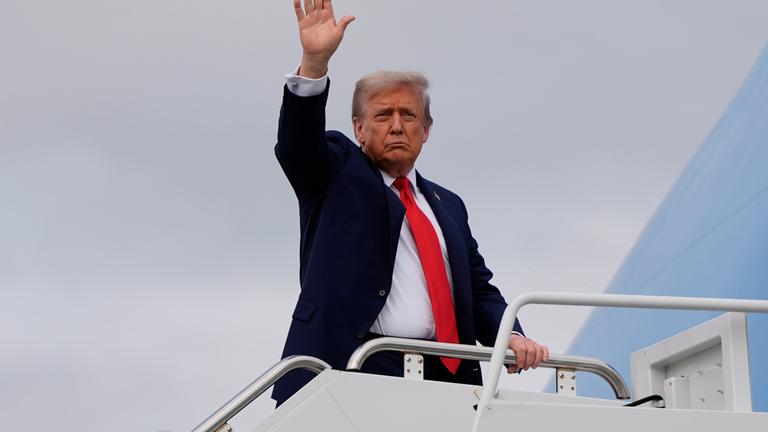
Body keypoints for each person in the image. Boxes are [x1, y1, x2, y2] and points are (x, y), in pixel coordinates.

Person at [272, 0, 549, 406]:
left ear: (426, 130)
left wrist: (512, 335)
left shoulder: (447, 205)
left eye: (408, 114)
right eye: (383, 115)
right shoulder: (337, 172)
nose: (397, 125)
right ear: (359, 129)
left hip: (446, 377)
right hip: (355, 368)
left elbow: (478, 288)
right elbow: (297, 147)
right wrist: (314, 62)